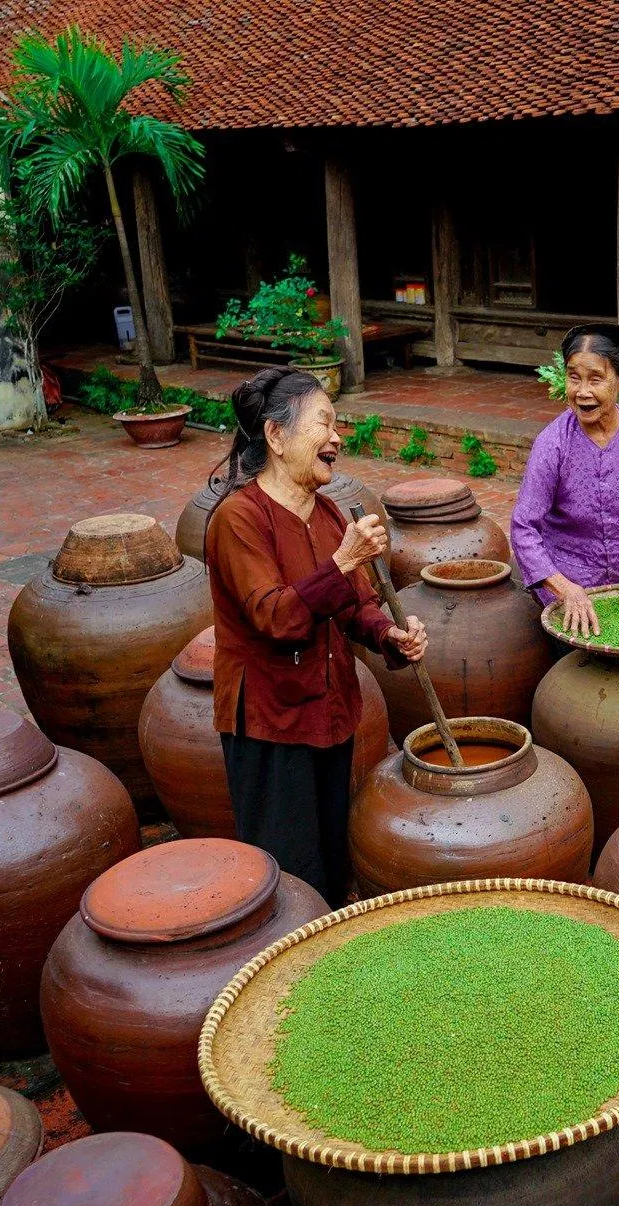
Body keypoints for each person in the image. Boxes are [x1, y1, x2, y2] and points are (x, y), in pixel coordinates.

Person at [204, 366, 427, 904]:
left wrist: (389, 635)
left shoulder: (326, 513)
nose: (337, 438)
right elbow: (276, 618)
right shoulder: (238, 520)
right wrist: (343, 560)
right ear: (276, 436)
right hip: (271, 721)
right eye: (323, 424)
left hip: (330, 712)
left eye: (336, 425)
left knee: (330, 858)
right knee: (287, 873)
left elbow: (355, 607)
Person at [509, 323, 619, 636]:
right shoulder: (553, 443)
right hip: (571, 592)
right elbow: (524, 528)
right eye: (574, 377)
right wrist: (564, 588)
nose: (582, 392)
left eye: (596, 379)